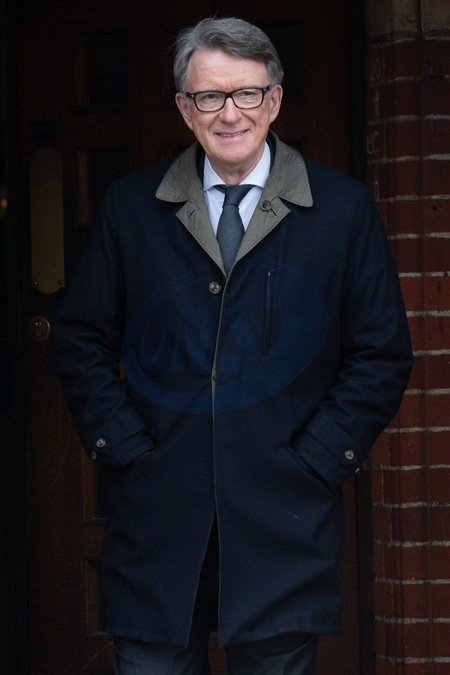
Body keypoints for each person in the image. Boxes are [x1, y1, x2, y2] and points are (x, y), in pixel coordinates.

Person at [53, 16, 413, 675]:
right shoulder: (131, 208)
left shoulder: (342, 209)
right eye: (209, 96)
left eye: (246, 93)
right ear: (183, 109)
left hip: (284, 522)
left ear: (273, 100)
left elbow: (380, 353)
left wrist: (315, 459)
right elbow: (81, 339)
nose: (229, 113)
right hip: (156, 522)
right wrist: (126, 449)